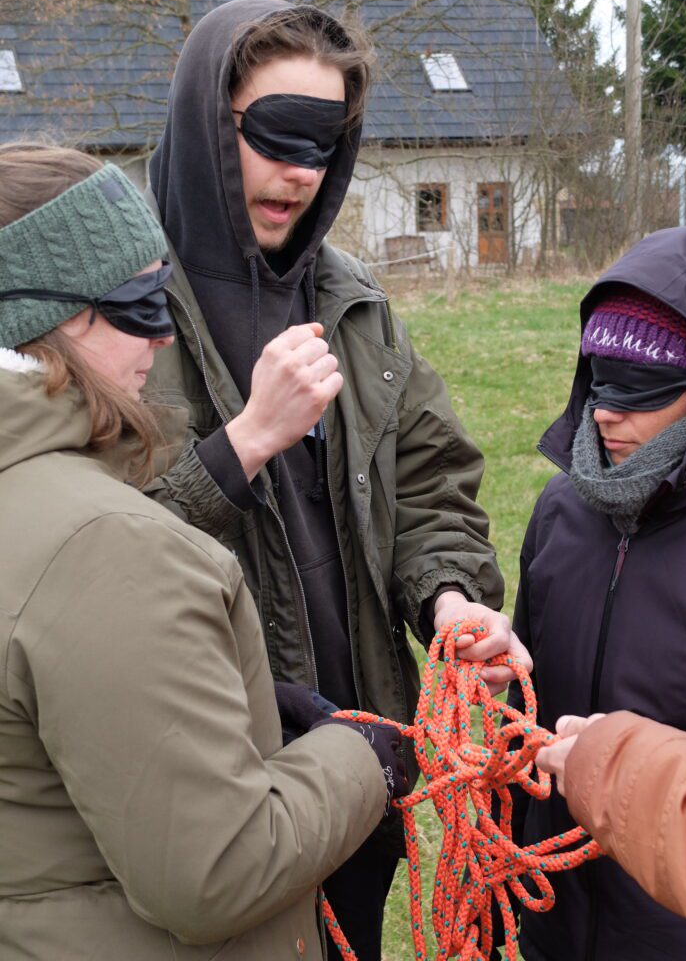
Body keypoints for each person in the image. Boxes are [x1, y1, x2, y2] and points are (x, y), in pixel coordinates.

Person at [143, 0, 526, 960]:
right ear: (207, 123)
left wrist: (447, 599)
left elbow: (430, 482)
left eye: (326, 142)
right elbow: (80, 554)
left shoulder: (353, 303)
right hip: (210, 787)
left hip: (362, 773)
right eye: (277, 135)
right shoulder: (120, 310)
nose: (303, 170)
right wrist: (243, 444)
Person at [0, 142, 408, 960]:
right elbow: (217, 873)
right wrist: (363, 758)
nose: (161, 342)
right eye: (142, 304)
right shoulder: (107, 545)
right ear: (56, 317)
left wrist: (243, 712)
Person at [501, 225, 686, 961]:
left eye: (641, 389)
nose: (604, 412)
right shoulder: (559, 510)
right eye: (599, 380)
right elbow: (522, 715)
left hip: (681, 927)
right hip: (550, 908)